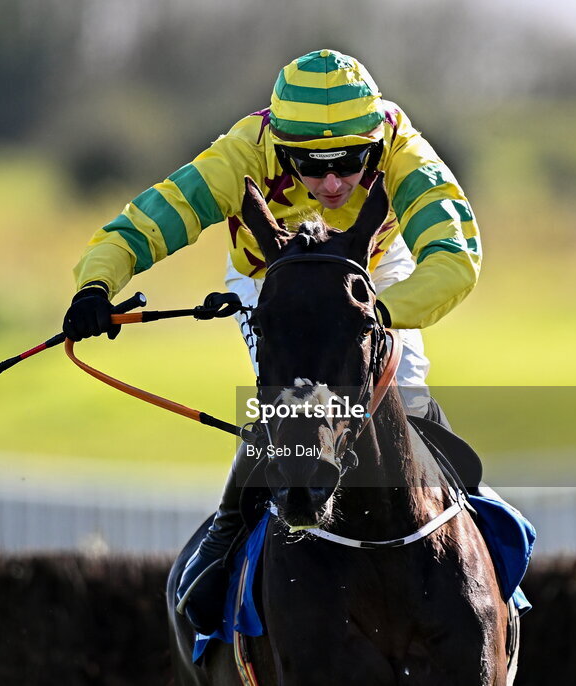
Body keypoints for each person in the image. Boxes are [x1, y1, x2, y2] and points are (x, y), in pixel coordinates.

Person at [63, 50, 483, 634]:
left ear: (375, 142)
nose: (332, 183)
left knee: (404, 393)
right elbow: (146, 223)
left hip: (372, 277)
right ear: (280, 147)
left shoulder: (402, 147)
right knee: (291, 402)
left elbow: (456, 259)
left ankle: (473, 515)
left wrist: (368, 316)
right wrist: (96, 286)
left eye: (351, 162)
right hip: (271, 281)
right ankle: (228, 527)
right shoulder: (240, 153)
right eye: (311, 167)